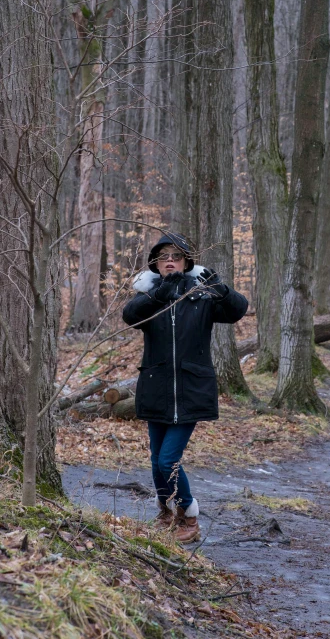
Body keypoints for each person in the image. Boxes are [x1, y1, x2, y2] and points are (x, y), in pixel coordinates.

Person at [122, 232, 248, 543]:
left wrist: (220, 289)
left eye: (175, 256)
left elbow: (236, 311)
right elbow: (130, 316)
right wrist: (159, 295)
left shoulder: (202, 294)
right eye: (163, 256)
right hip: (155, 386)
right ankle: (166, 514)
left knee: (168, 460)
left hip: (191, 389)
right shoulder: (149, 294)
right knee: (156, 462)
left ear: (186, 261)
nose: (169, 261)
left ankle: (188, 517)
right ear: (155, 263)